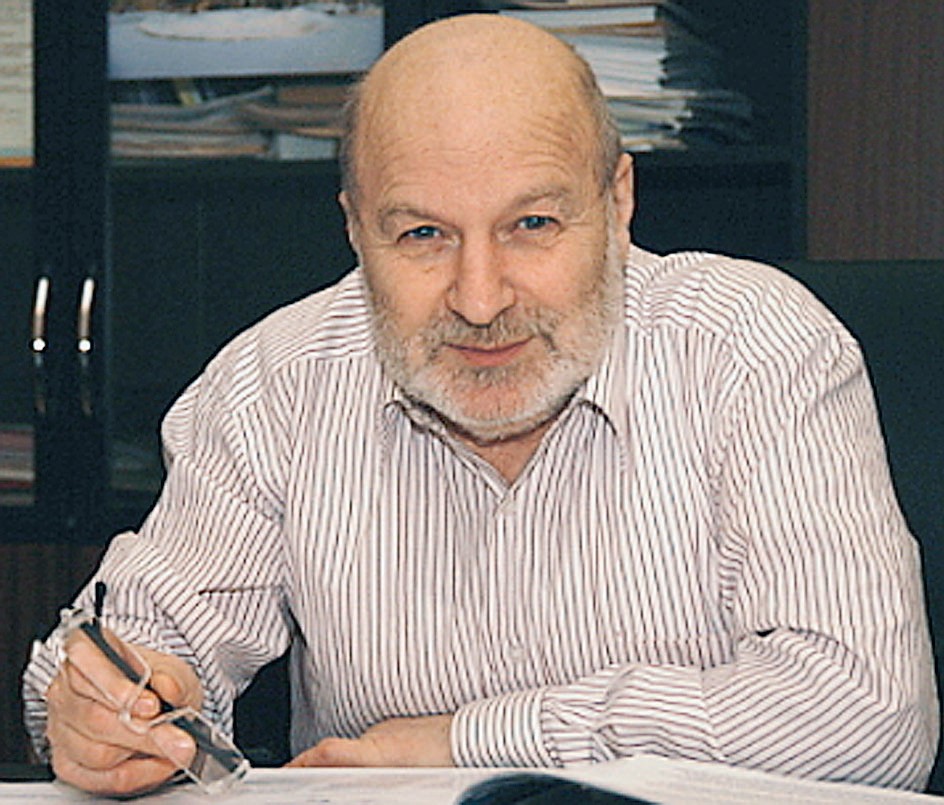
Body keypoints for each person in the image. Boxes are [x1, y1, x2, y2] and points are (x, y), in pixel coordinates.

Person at [23, 13, 938, 798]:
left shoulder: (754, 348)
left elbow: (869, 716)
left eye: (531, 224)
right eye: (423, 233)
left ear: (618, 201)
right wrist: (108, 709)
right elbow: (132, 649)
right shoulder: (277, 382)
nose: (480, 296)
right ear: (355, 228)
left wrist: (466, 741)